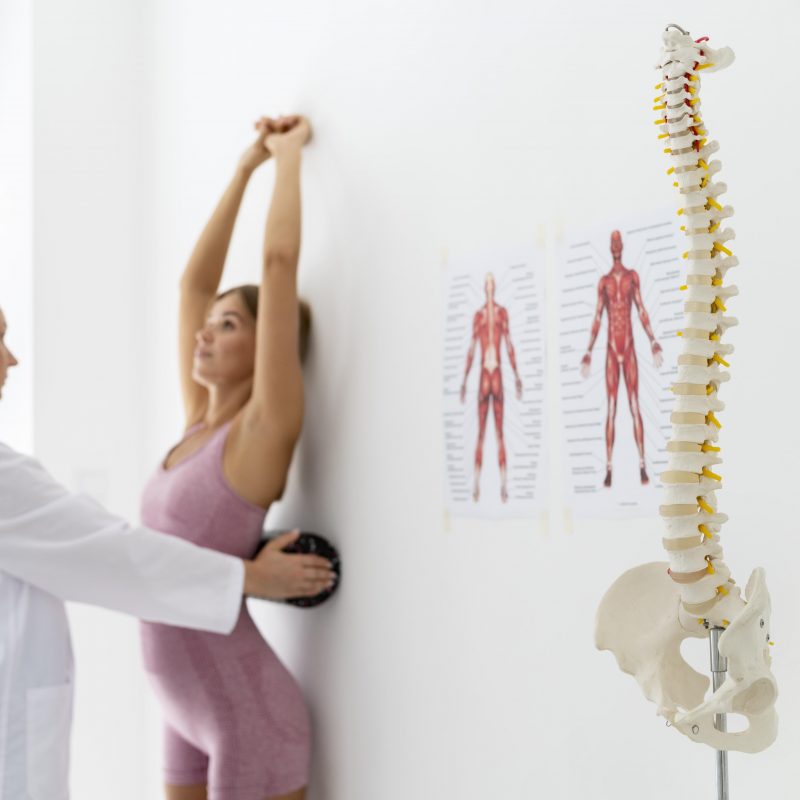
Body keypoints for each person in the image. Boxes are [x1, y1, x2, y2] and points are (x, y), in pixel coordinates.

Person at [0, 306, 335, 800]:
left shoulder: (243, 433)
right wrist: (250, 577)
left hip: (236, 706)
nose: (13, 360)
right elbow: (109, 553)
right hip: (183, 709)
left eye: (229, 323)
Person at [140, 114, 318, 800]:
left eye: (230, 324)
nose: (205, 333)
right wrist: (244, 168)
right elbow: (191, 285)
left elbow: (277, 267)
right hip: (180, 705)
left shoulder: (262, 430)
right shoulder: (194, 425)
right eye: (209, 324)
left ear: (264, 343)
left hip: (246, 712)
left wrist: (288, 157)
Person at [580, 229, 663, 487]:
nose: (615, 245)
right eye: (612, 242)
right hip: (609, 350)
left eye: (618, 242)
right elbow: (597, 317)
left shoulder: (631, 277)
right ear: (610, 247)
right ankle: (608, 467)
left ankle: (642, 465)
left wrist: (652, 340)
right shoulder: (603, 282)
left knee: (635, 405)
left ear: (622, 246)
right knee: (613, 408)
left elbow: (641, 309)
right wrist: (588, 351)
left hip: (627, 348)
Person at [459, 272, 523, 503]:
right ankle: (479, 484)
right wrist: (465, 380)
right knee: (488, 434)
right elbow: (473, 349)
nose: (489, 286)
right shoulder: (484, 316)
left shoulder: (496, 314)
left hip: (491, 374)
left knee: (494, 433)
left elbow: (508, 345)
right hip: (489, 374)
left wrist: (516, 375)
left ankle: (501, 485)